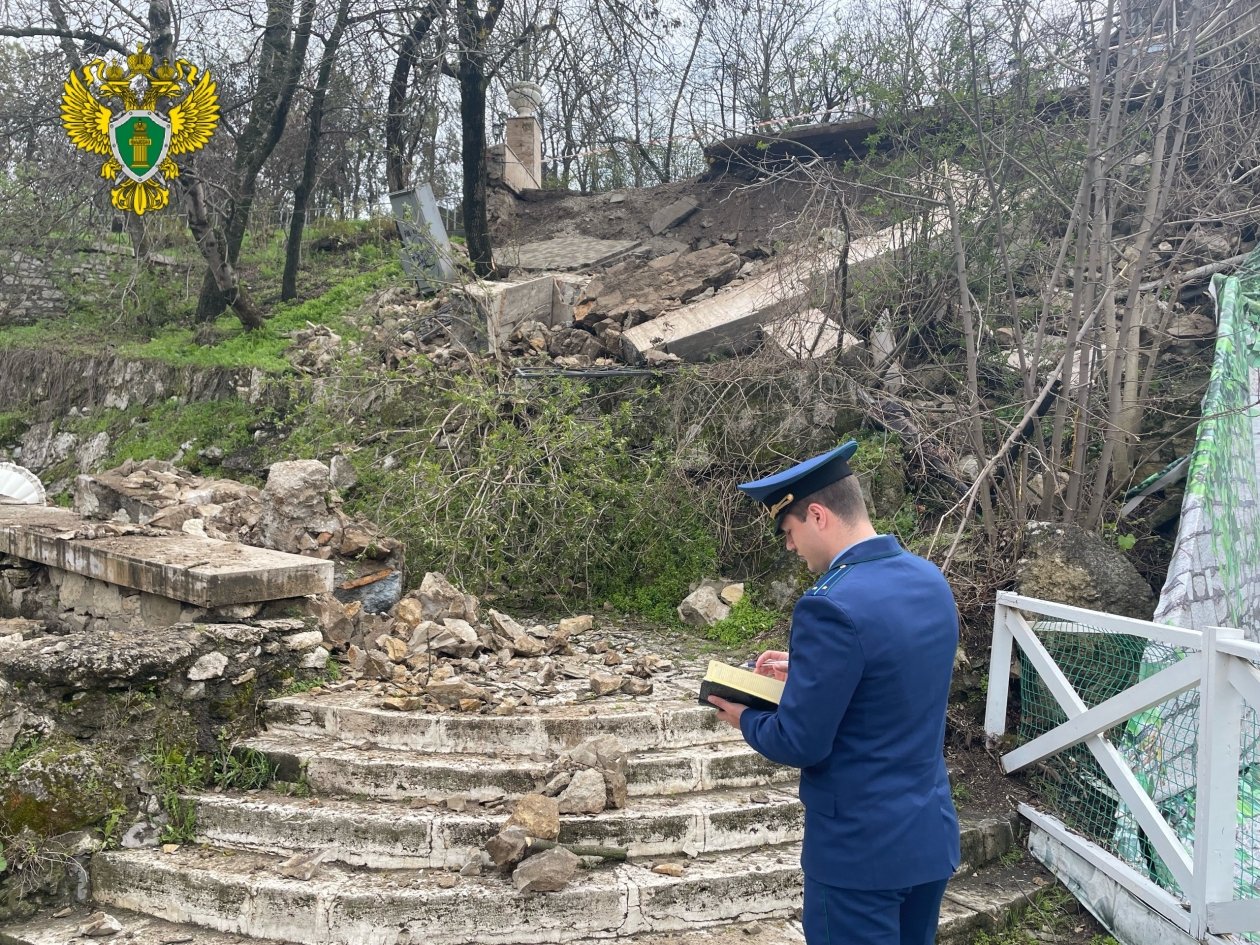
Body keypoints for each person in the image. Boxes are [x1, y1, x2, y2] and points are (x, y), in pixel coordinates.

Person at [707, 440, 960, 945]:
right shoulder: (928, 578)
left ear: (818, 515)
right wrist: (807, 670)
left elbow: (801, 742)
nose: (789, 546)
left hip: (858, 856)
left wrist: (744, 717)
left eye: (789, 530)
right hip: (927, 836)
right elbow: (893, 674)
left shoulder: (829, 605)